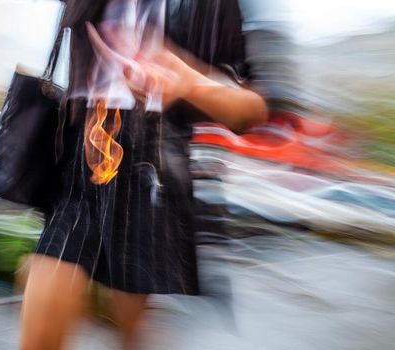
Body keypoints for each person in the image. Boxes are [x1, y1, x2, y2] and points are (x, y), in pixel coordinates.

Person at [20, 0, 283, 349]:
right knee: (45, 306)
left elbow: (251, 111)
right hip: (79, 162)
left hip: (150, 170)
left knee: (133, 327)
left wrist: (190, 82)